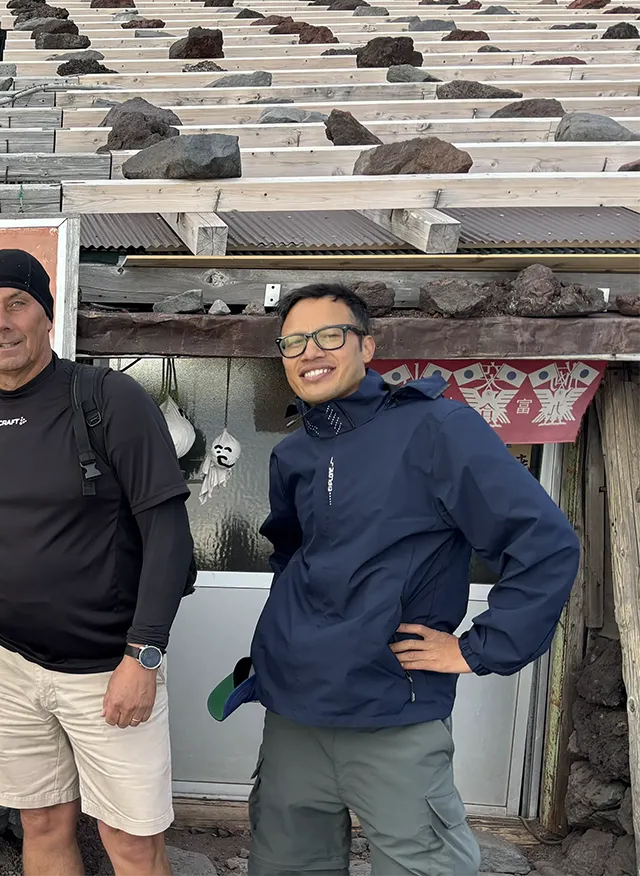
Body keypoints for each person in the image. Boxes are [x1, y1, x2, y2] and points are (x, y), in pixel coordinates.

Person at [235, 283, 580, 875]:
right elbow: (292, 559)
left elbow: (544, 543)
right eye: (293, 341)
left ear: (367, 346)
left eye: (329, 336)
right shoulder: (294, 454)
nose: (310, 352)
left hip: (392, 711)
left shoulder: (437, 428)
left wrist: (481, 648)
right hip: (293, 709)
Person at [0, 248, 197, 876]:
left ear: (47, 316)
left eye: (17, 304)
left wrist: (144, 655)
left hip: (109, 668)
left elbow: (167, 532)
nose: (2, 322)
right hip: (10, 666)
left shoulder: (108, 399)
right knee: (41, 823)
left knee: (131, 843)